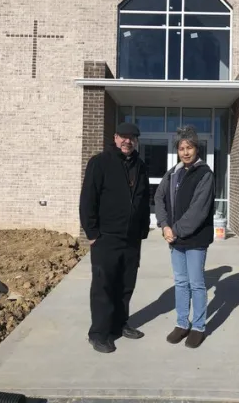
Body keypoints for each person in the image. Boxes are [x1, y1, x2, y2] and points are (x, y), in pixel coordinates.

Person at [80, 122, 150, 354]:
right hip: (106, 238)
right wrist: (92, 233)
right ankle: (99, 333)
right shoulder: (100, 163)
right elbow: (88, 200)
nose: (127, 141)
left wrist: (142, 230)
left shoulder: (140, 165)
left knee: (125, 285)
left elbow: (143, 198)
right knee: (103, 286)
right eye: (123, 136)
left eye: (132, 137)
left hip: (131, 240)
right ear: (115, 137)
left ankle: (119, 325)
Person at [154, 125, 215, 349]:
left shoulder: (205, 174)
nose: (185, 152)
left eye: (189, 147)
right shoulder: (173, 173)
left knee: (197, 284)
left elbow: (198, 210)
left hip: (195, 240)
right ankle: (182, 324)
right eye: (181, 148)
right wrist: (164, 225)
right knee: (181, 283)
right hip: (175, 239)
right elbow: (159, 197)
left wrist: (175, 229)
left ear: (196, 149)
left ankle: (198, 327)